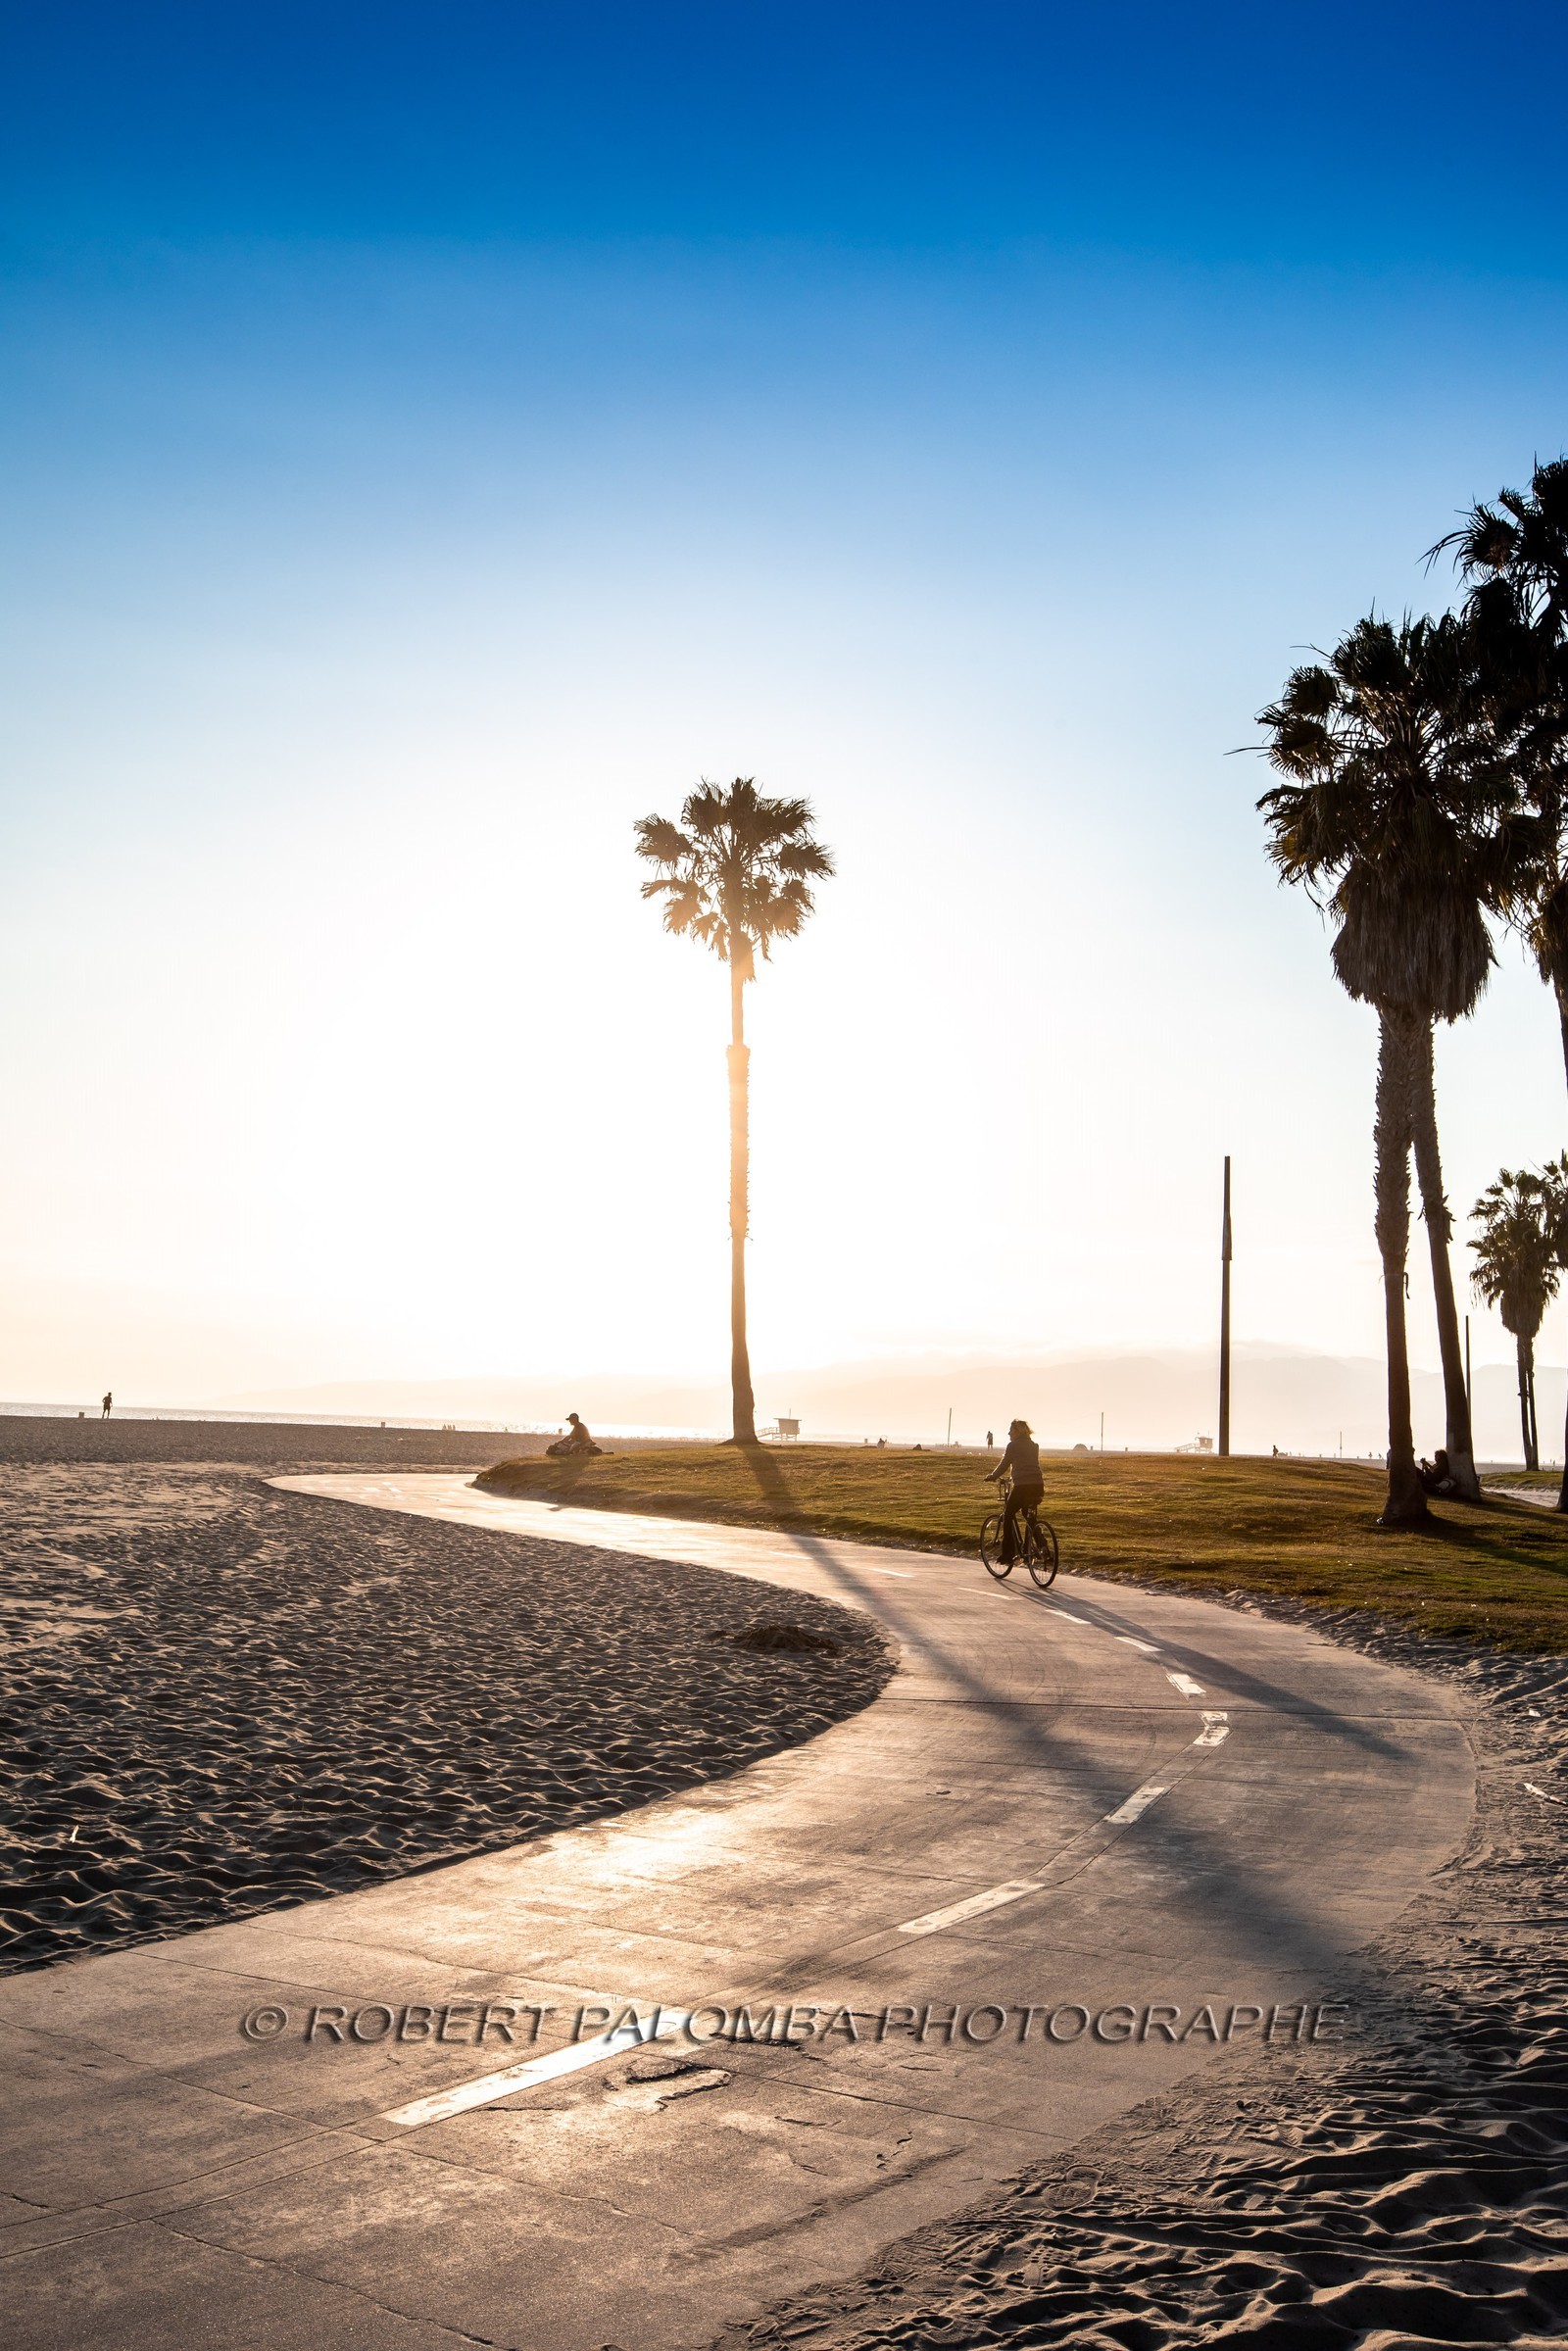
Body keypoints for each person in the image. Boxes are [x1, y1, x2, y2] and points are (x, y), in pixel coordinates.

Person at [987, 1418, 1044, 1566]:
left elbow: (1004, 1464)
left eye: (1010, 1430)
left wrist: (993, 1476)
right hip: (1038, 1485)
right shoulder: (1034, 1445)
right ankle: (1042, 1546)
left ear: (1017, 1432)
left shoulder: (1013, 1446)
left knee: (1008, 1514)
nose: (1008, 1433)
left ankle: (1008, 1554)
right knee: (1027, 1515)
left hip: (1022, 1487)